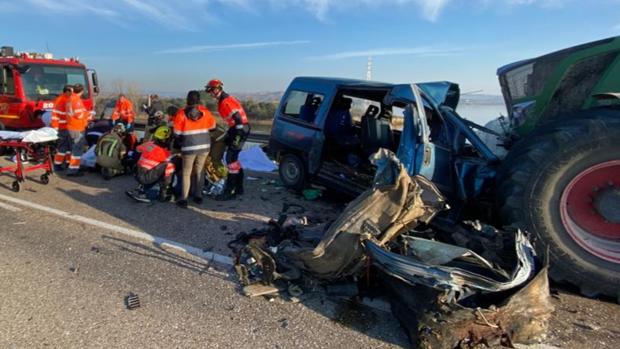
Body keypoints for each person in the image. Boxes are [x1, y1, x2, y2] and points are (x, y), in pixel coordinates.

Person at [205, 79, 251, 200]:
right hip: (237, 128)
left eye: (210, 91)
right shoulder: (225, 99)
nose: (209, 93)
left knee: (231, 159)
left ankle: (230, 191)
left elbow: (238, 118)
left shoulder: (225, 101)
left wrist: (237, 135)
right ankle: (239, 188)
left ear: (216, 90)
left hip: (239, 129)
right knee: (233, 159)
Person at [173, 90, 216, 208]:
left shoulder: (181, 113)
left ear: (187, 100)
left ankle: (184, 199)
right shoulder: (206, 112)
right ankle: (198, 196)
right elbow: (213, 126)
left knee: (186, 173)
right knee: (200, 171)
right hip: (204, 146)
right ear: (199, 100)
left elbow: (176, 132)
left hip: (189, 147)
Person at [126, 126, 176, 203]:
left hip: (137, 173)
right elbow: (169, 163)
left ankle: (142, 187)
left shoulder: (148, 144)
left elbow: (137, 149)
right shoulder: (164, 153)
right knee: (169, 166)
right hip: (146, 177)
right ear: (165, 140)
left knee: (154, 165)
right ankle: (161, 193)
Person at [65, 83, 91, 176]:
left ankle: (74, 166)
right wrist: (88, 114)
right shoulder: (76, 100)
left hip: (71, 126)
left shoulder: (70, 99)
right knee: (77, 149)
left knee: (73, 148)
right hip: (77, 127)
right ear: (82, 91)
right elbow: (79, 115)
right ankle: (73, 170)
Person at [52, 85, 73, 171]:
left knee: (67, 147)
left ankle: (67, 163)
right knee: (63, 147)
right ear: (67, 91)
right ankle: (57, 165)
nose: (73, 93)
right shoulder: (63, 100)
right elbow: (57, 115)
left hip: (65, 127)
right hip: (63, 127)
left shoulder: (62, 99)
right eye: (71, 91)